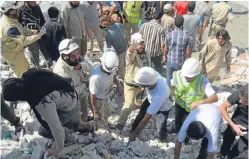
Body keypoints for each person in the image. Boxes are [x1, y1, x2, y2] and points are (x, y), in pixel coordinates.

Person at [2, 68, 94, 157]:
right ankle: (80, 124)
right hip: (69, 90)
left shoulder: (42, 102)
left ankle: (70, 135)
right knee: (48, 116)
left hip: (72, 105)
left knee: (43, 131)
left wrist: (58, 149)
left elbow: (56, 129)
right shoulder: (28, 74)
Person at [169, 58, 218, 134]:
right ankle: (176, 128)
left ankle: (185, 137)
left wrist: (201, 102)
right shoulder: (177, 75)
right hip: (179, 103)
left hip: (192, 108)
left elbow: (214, 98)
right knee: (178, 119)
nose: (187, 78)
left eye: (190, 77)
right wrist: (170, 93)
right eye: (186, 76)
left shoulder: (202, 81)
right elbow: (172, 85)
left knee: (187, 124)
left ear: (196, 74)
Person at [0, 1, 45, 78]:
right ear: (11, 11)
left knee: (27, 69)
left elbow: (20, 28)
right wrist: (38, 35)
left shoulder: (10, 19)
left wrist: (31, 31)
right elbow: (24, 41)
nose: (19, 10)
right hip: (13, 55)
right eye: (17, 8)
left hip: (16, 50)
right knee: (23, 75)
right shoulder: (8, 27)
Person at [53, 37, 93, 122]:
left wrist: (81, 66)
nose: (77, 58)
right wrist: (84, 85)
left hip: (81, 91)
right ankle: (79, 123)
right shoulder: (61, 72)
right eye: (74, 56)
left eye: (77, 55)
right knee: (76, 114)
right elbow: (71, 93)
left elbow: (91, 66)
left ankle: (84, 118)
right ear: (65, 56)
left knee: (84, 104)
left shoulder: (72, 59)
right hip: (73, 99)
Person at [129, 67, 172, 142]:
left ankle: (163, 138)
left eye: (140, 85)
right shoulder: (152, 75)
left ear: (147, 85)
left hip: (163, 107)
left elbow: (145, 119)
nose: (139, 85)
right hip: (150, 99)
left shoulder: (159, 95)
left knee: (161, 126)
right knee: (140, 114)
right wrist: (142, 90)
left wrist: (134, 135)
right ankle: (133, 129)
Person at [116, 33, 149, 129]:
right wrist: (133, 45)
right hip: (131, 84)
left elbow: (148, 65)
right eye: (139, 43)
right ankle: (120, 124)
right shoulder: (131, 54)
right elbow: (130, 53)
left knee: (141, 104)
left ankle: (140, 122)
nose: (141, 45)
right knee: (128, 105)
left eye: (142, 43)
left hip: (141, 85)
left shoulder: (145, 52)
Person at [89, 50, 122, 129]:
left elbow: (113, 76)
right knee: (100, 118)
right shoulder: (96, 77)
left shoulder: (111, 67)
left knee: (107, 113)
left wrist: (118, 84)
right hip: (98, 100)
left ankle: (106, 123)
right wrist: (95, 111)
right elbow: (92, 95)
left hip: (106, 96)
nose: (109, 72)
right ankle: (102, 133)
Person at [220, 84, 248, 159]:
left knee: (240, 149)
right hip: (237, 120)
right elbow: (223, 107)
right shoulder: (239, 94)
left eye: (245, 100)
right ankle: (223, 154)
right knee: (227, 139)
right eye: (241, 97)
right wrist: (233, 125)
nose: (240, 101)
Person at [163, 15, 191, 86]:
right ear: (182, 23)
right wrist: (187, 61)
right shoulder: (186, 36)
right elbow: (188, 52)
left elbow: (166, 49)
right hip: (180, 62)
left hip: (170, 60)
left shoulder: (169, 34)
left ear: (174, 23)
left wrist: (165, 57)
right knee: (178, 79)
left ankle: (167, 91)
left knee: (168, 77)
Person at [19, 1, 47, 68]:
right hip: (24, 37)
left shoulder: (37, 7)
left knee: (35, 54)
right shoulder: (20, 10)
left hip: (35, 36)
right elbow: (18, 24)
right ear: (26, 2)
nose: (34, 3)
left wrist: (40, 32)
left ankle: (36, 68)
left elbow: (42, 20)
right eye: (32, 2)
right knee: (23, 56)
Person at [100, 15, 128, 79]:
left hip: (119, 51)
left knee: (120, 67)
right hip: (125, 46)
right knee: (124, 63)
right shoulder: (118, 25)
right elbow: (122, 32)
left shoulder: (108, 35)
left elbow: (108, 48)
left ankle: (122, 78)